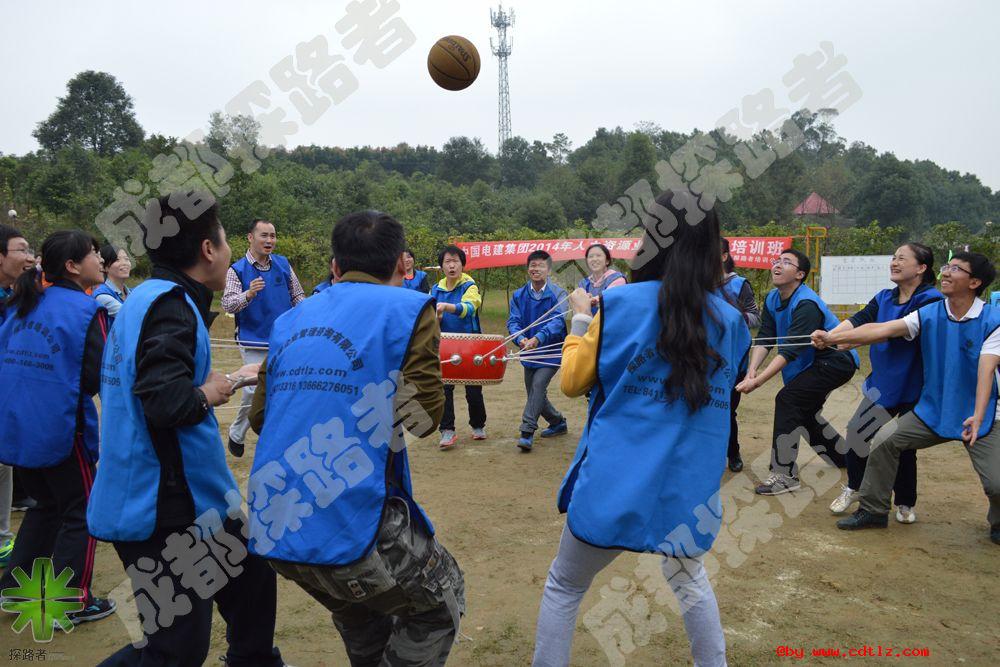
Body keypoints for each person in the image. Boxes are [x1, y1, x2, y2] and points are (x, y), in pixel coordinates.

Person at [532, 191, 749, 667]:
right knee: (689, 579)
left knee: (565, 584)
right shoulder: (732, 322)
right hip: (686, 485)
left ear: (652, 238)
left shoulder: (618, 304)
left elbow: (572, 383)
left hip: (614, 480)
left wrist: (581, 318)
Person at [246, 210, 464, 664]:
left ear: (335, 266)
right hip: (352, 521)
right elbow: (424, 420)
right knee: (440, 604)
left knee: (360, 613)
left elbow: (261, 417)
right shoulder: (410, 309)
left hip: (277, 525)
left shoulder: (291, 320)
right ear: (402, 265)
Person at [87, 194, 285, 665]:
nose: (228, 249)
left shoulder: (146, 298)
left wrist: (228, 379)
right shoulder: (171, 307)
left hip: (193, 498)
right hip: (161, 506)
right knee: (175, 648)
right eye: (224, 239)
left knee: (251, 579)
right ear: (208, 249)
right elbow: (164, 402)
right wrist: (209, 393)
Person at [813, 252, 1000, 545]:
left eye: (956, 269)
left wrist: (977, 415)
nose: (946, 273)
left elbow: (986, 370)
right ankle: (873, 510)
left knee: (996, 484)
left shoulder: (993, 320)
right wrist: (833, 338)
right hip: (933, 410)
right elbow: (884, 329)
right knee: (884, 441)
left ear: (974, 282)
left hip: (982, 414)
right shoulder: (931, 312)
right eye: (947, 267)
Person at [0, 230, 116, 624]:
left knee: (46, 506)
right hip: (62, 428)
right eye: (93, 253)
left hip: (18, 426)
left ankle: (15, 589)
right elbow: (97, 376)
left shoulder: (23, 303)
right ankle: (71, 600)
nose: (100, 260)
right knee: (81, 511)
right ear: (72, 266)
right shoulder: (85, 310)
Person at [824, 244, 942, 522]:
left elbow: (884, 332)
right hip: (885, 381)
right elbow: (859, 320)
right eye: (893, 258)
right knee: (857, 433)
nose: (894, 262)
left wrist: (837, 339)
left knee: (903, 444)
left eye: (902, 258)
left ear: (921, 268)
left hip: (918, 383)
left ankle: (905, 501)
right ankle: (855, 486)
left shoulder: (931, 300)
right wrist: (830, 335)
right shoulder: (884, 297)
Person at [736, 248, 859, 496]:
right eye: (777, 261)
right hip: (814, 361)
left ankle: (784, 475)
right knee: (804, 412)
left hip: (836, 360)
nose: (777, 265)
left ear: (800, 274)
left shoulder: (806, 304)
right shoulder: (773, 298)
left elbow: (789, 350)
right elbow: (766, 338)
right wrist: (751, 371)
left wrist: (758, 382)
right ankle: (843, 457)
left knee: (788, 399)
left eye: (786, 262)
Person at [221, 218, 305, 457]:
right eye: (264, 235)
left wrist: (307, 315)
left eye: (273, 236)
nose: (270, 240)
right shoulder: (237, 270)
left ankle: (254, 435)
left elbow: (297, 295)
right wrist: (248, 294)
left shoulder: (283, 264)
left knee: (282, 388)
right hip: (253, 338)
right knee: (253, 389)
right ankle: (239, 432)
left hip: (283, 338)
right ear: (250, 238)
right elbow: (228, 304)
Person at [507, 250, 569, 451]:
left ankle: (527, 431)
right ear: (528, 269)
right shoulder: (518, 295)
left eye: (541, 265)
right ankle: (557, 422)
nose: (536, 269)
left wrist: (539, 338)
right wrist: (520, 338)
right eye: (532, 265)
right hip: (529, 351)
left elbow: (558, 322)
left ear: (549, 270)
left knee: (538, 385)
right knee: (535, 393)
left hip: (551, 351)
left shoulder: (559, 294)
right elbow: (513, 321)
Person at [431, 245, 486, 449]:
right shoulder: (435, 290)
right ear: (442, 267)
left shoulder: (469, 286)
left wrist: (446, 307)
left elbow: (469, 308)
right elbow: (430, 318)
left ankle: (478, 425)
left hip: (470, 343)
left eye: (456, 261)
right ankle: (447, 430)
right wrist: (436, 317)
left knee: (473, 389)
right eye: (448, 262)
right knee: (444, 388)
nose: (452, 266)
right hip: (444, 344)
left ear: (462, 265)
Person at [720, 238, 761, 473]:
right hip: (704, 359)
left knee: (727, 409)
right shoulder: (697, 284)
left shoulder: (739, 285)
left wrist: (734, 316)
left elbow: (755, 317)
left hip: (734, 359)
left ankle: (733, 452)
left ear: (724, 256)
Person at [578, 243, 627, 315]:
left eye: (598, 255)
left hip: (611, 320)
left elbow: (609, 297)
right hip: (588, 321)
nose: (594, 259)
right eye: (590, 256)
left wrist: (591, 300)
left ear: (607, 261)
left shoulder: (617, 279)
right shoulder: (584, 283)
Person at [92, 244, 132, 324]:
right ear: (105, 267)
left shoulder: (132, 292)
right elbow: (132, 317)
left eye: (126, 259)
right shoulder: (102, 295)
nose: (124, 263)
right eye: (117, 260)